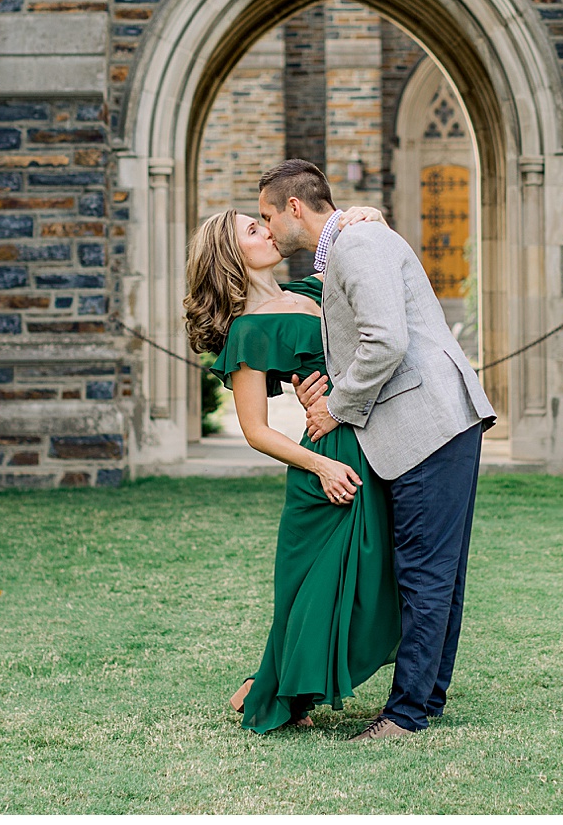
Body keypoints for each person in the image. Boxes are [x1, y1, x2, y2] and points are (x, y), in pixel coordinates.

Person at [257, 158, 497, 742]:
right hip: (427, 424)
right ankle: (425, 701)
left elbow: (385, 340)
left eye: (267, 215)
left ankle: (407, 715)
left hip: (429, 422)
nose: (266, 228)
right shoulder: (354, 240)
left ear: (295, 206)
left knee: (426, 572)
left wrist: (335, 406)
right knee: (436, 571)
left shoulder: (357, 243)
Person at [183, 201, 400, 734]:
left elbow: (359, 265)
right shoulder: (248, 331)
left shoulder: (309, 292)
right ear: (232, 255)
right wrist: (321, 468)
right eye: (253, 231)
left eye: (263, 222)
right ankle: (274, 691)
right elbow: (256, 430)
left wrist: (366, 214)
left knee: (371, 574)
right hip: (325, 457)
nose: (269, 232)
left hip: (369, 439)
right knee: (310, 587)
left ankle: (266, 684)